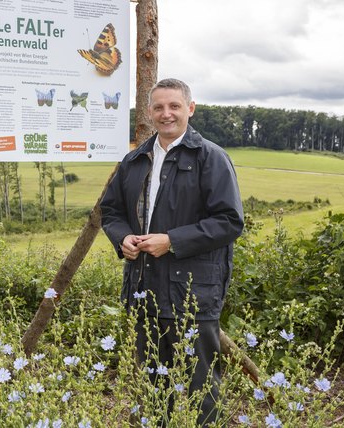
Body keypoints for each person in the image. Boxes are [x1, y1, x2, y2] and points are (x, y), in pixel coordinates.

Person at [100, 78, 243, 426]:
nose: (167, 114)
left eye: (174, 106)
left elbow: (229, 221)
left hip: (193, 292)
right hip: (144, 287)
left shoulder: (211, 158)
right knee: (153, 387)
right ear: (149, 113)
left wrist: (172, 241)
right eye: (159, 107)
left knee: (202, 387)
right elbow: (111, 212)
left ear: (190, 109)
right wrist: (123, 239)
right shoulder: (134, 160)